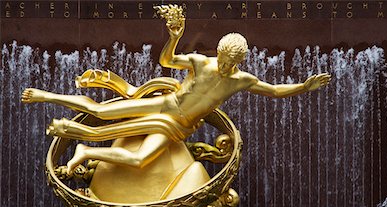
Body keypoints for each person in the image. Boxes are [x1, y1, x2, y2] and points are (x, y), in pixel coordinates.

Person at [21, 5, 331, 174]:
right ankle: (46, 96)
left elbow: (274, 91)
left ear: (240, 61)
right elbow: (166, 59)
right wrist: (175, 36)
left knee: (141, 160)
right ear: (218, 53)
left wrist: (305, 86)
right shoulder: (201, 62)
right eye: (222, 59)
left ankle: (86, 151)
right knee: (100, 111)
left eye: (230, 63)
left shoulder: (242, 80)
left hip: (178, 128)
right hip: (164, 106)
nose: (223, 66)